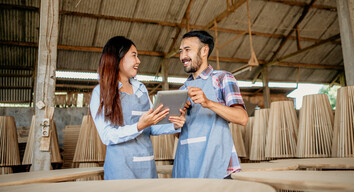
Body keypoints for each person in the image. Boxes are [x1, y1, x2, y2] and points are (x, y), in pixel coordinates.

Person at [90, 36, 185, 180]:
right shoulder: (100, 93)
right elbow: (107, 136)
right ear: (118, 57)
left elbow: (151, 126)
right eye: (134, 55)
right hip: (120, 168)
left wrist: (174, 125)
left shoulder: (141, 89)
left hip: (146, 164)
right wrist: (139, 126)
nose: (138, 61)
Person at [172, 30, 248, 179]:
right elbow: (179, 135)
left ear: (204, 50)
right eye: (181, 51)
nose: (182, 56)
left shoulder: (222, 78)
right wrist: (177, 121)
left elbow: (242, 118)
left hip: (218, 162)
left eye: (187, 50)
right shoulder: (182, 90)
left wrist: (208, 103)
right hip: (188, 165)